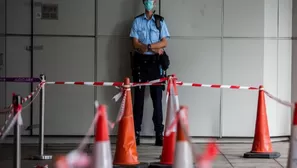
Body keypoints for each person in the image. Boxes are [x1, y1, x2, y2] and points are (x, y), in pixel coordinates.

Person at [129, 0, 170, 146]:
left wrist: (146, 46)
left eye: (151, 1)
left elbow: (164, 42)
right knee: (138, 101)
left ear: (155, 3)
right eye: (147, 0)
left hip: (155, 65)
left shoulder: (160, 21)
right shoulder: (137, 21)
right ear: (143, 2)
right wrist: (153, 47)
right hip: (140, 64)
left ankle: (159, 133)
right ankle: (136, 133)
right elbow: (135, 44)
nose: (149, 3)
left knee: (157, 101)